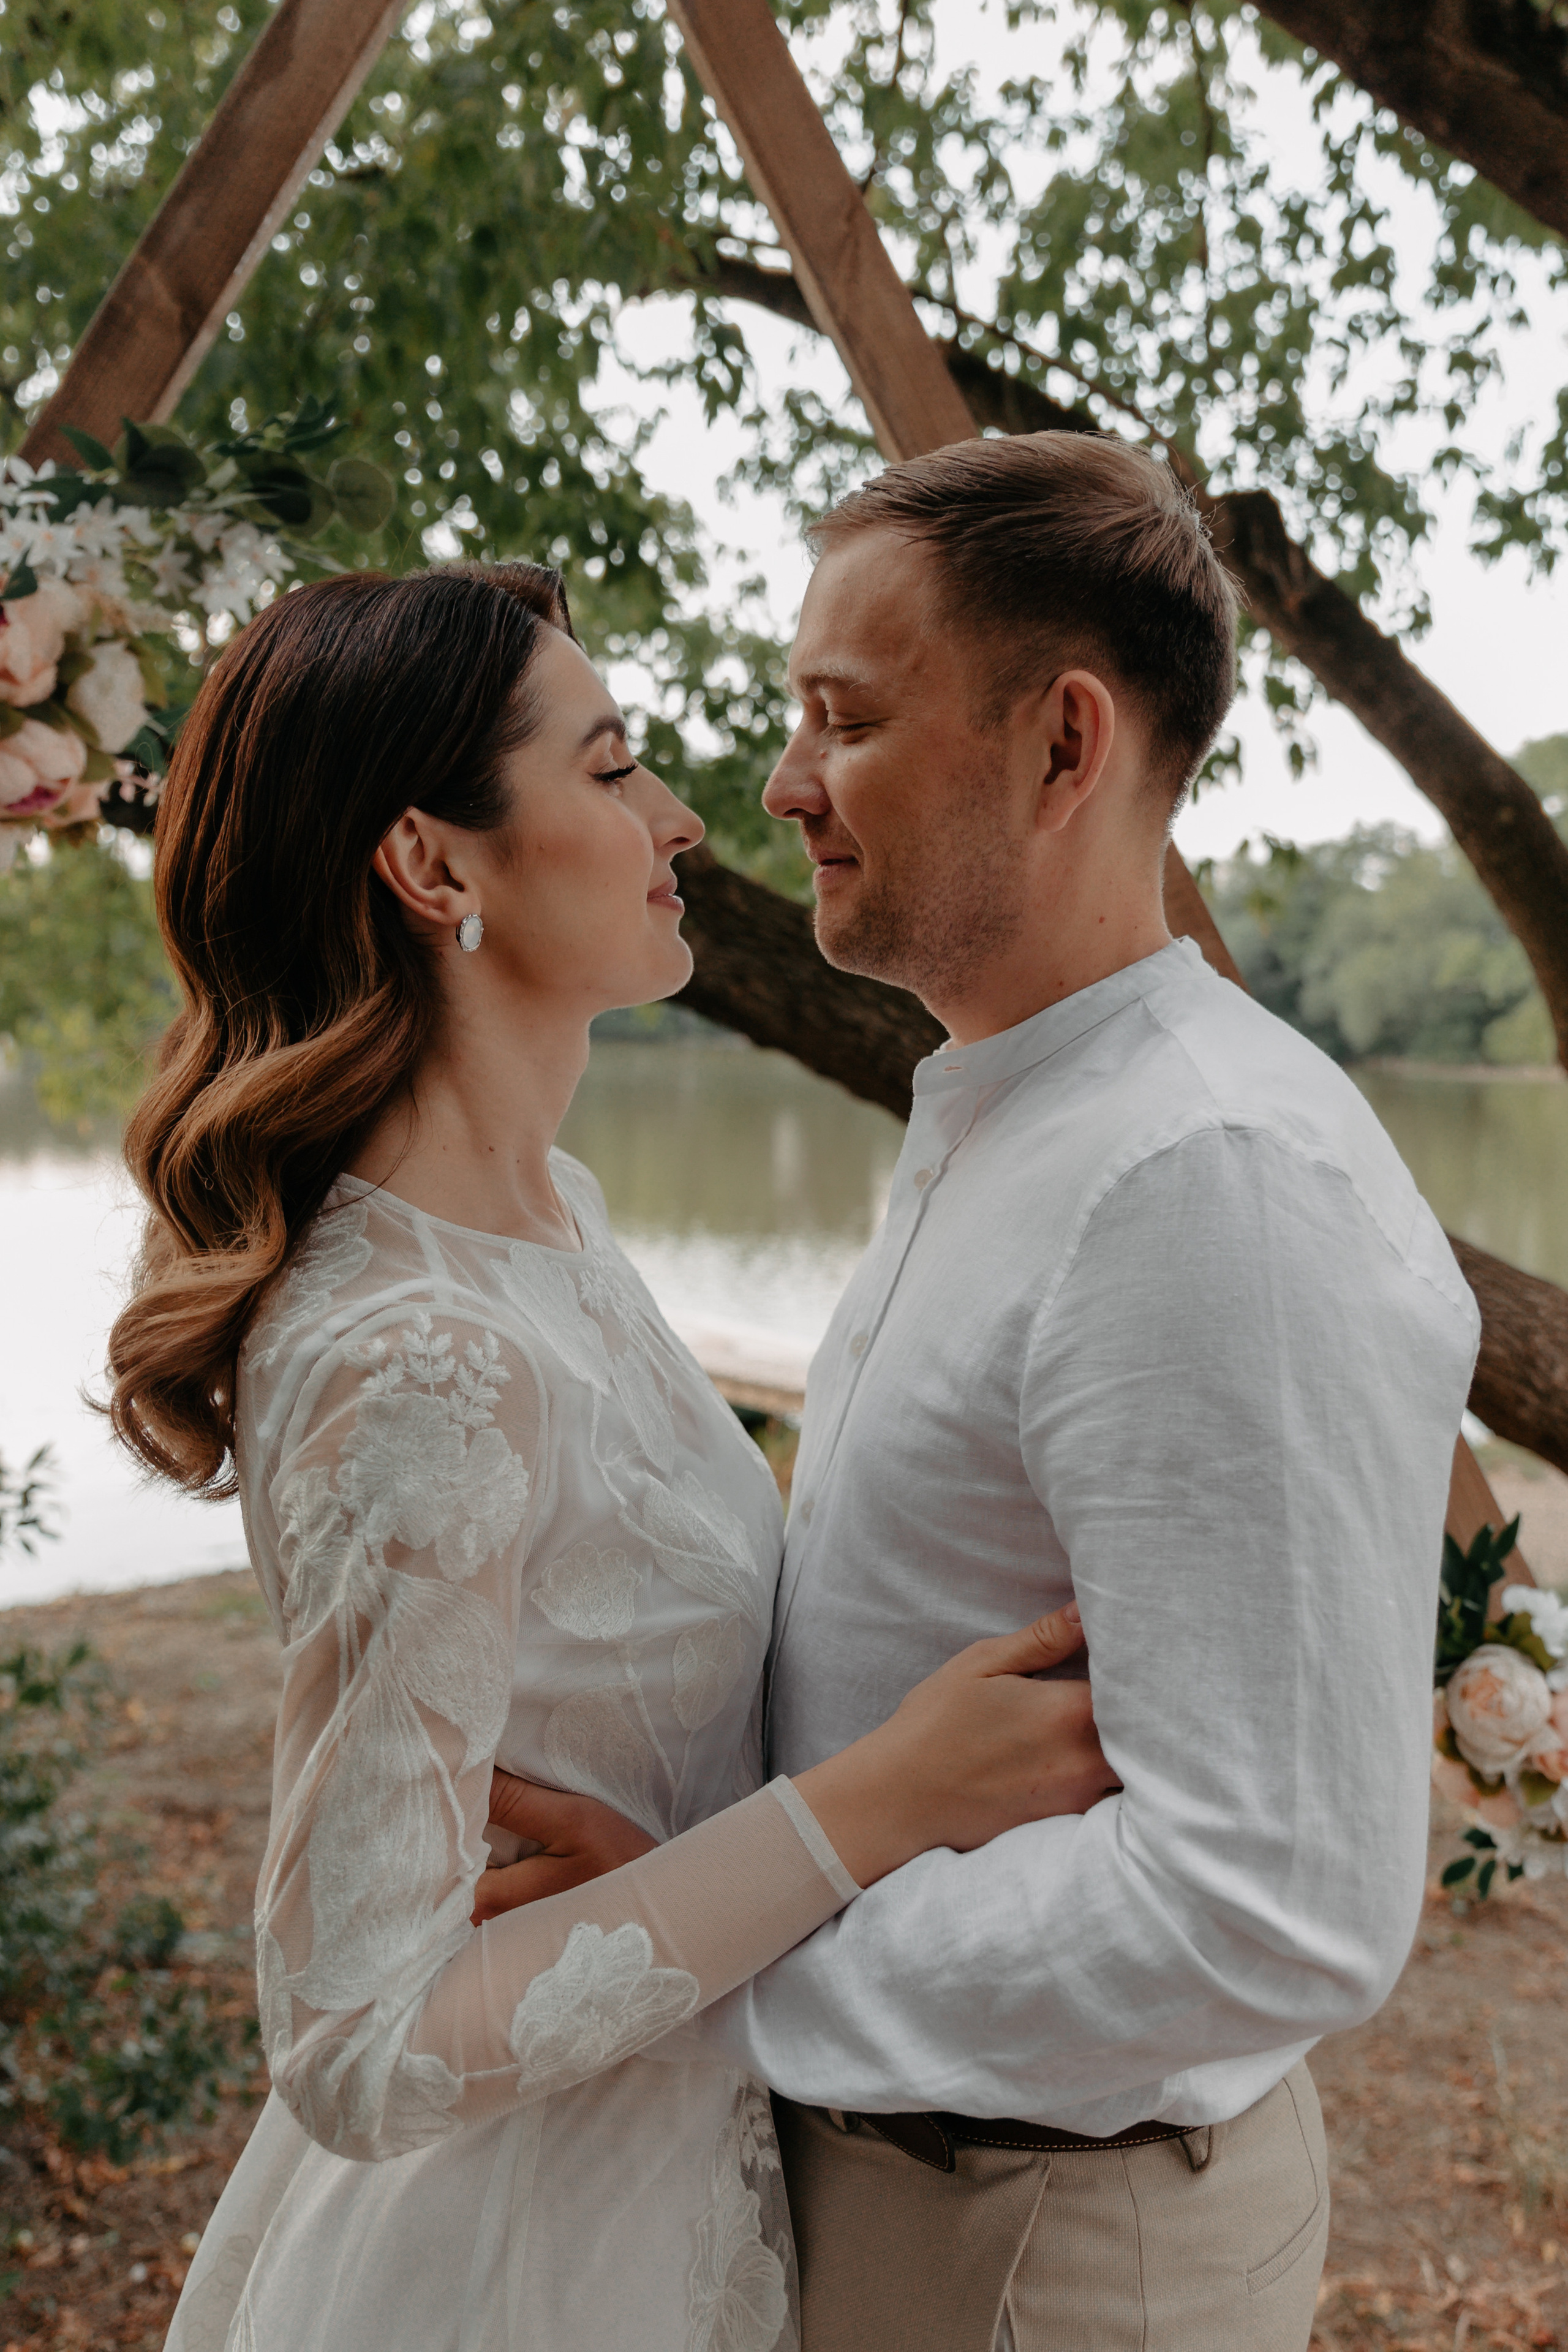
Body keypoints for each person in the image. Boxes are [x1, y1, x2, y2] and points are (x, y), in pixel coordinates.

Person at [491, 433, 1480, 2349]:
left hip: (1033, 2247)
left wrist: (719, 1961)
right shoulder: (1029, 1111)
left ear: (1063, 746)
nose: (781, 784)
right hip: (924, 2188)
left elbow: (1265, 1905)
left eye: (846, 718)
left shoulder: (1199, 1179)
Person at [107, 559, 1116, 2352]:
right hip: (508, 2266)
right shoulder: (413, 1358)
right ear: (432, 868)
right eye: (611, 765)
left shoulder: (549, 1217)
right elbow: (359, 2045)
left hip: (670, 2183)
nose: (682, 816)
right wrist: (881, 1803)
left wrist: (696, 1862)